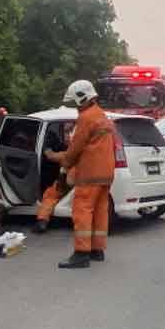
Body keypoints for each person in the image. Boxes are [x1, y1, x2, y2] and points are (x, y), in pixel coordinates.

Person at [44, 80, 117, 269]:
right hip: (106, 174)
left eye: (74, 102)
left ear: (81, 98)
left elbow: (75, 149)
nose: (75, 107)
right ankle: (97, 250)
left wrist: (64, 166)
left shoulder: (86, 118)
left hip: (90, 174)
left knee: (82, 211)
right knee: (100, 211)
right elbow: (113, 146)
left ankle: (81, 254)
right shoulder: (103, 117)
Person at [33, 122, 76, 234]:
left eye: (69, 131)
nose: (67, 135)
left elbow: (50, 156)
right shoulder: (84, 147)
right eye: (65, 131)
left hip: (68, 181)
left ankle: (42, 220)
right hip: (79, 181)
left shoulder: (69, 152)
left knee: (49, 195)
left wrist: (46, 147)